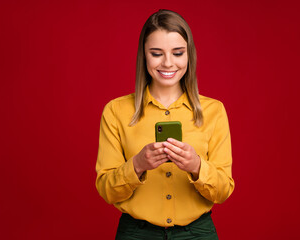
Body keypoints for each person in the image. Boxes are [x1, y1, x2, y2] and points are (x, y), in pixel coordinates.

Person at [95, 9, 235, 240]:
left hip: (197, 233)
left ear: (189, 55)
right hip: (136, 233)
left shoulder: (214, 111)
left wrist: (196, 166)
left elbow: (223, 191)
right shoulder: (116, 111)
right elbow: (106, 190)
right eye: (156, 53)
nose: (168, 63)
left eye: (178, 53)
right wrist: (137, 165)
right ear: (144, 56)